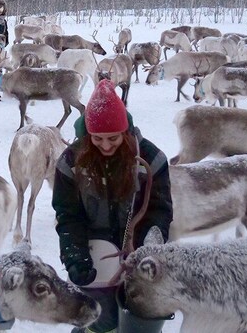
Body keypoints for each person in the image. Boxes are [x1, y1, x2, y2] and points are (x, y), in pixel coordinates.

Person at [52, 79, 173, 333]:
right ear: (87, 134)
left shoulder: (151, 160)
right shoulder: (70, 163)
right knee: (100, 321)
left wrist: (148, 249)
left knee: (139, 321)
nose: (106, 146)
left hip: (137, 253)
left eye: (113, 138)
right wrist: (74, 254)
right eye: (97, 138)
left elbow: (159, 211)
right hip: (96, 254)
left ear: (126, 132)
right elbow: (68, 215)